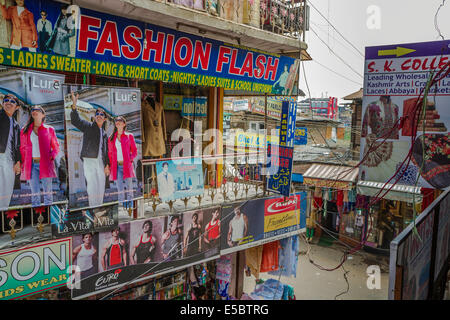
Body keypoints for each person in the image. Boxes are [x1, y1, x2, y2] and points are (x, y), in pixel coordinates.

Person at [70, 92, 110, 208]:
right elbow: (76, 121)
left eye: (101, 114)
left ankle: (99, 208)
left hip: (101, 162)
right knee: (92, 186)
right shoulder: (88, 126)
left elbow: (105, 151)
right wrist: (74, 104)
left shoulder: (104, 133)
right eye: (97, 113)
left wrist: (107, 165)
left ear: (105, 118)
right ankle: (94, 209)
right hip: (89, 160)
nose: (99, 115)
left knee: (100, 186)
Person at [20, 105, 59, 207]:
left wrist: (51, 157)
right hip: (32, 165)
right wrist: (22, 163)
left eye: (37, 110)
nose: (34, 111)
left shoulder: (50, 129)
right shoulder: (25, 130)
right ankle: (38, 218)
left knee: (47, 193)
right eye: (33, 110)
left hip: (45, 164)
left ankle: (48, 217)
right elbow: (22, 148)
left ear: (43, 114)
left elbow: (56, 147)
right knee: (35, 194)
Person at [108, 116, 137, 208]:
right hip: (116, 166)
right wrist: (109, 165)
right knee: (119, 188)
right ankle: (122, 207)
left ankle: (131, 206)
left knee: (129, 187)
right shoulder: (111, 138)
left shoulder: (129, 136)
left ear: (124, 124)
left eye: (120, 121)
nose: (118, 122)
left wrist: (130, 159)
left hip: (127, 165)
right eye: (116, 121)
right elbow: (110, 153)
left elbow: (135, 151)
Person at [0, 94, 21, 210]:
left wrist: (18, 161)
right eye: (6, 100)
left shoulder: (16, 125)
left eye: (12, 102)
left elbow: (17, 146)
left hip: (10, 162)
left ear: (17, 107)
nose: (8, 102)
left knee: (6, 194)